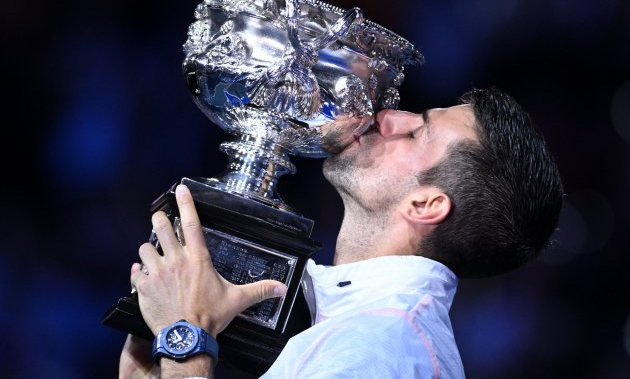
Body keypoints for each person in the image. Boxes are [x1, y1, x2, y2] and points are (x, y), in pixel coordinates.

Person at [119, 86, 564, 378]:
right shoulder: (358, 326)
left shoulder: (382, 348)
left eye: (414, 133)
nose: (389, 116)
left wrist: (185, 338)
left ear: (425, 205)